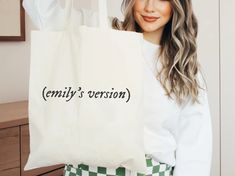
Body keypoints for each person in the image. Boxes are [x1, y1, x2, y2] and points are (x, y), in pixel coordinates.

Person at [22, 0, 213, 176]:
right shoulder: (99, 30)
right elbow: (41, 9)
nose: (149, 7)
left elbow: (195, 147)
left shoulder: (183, 68)